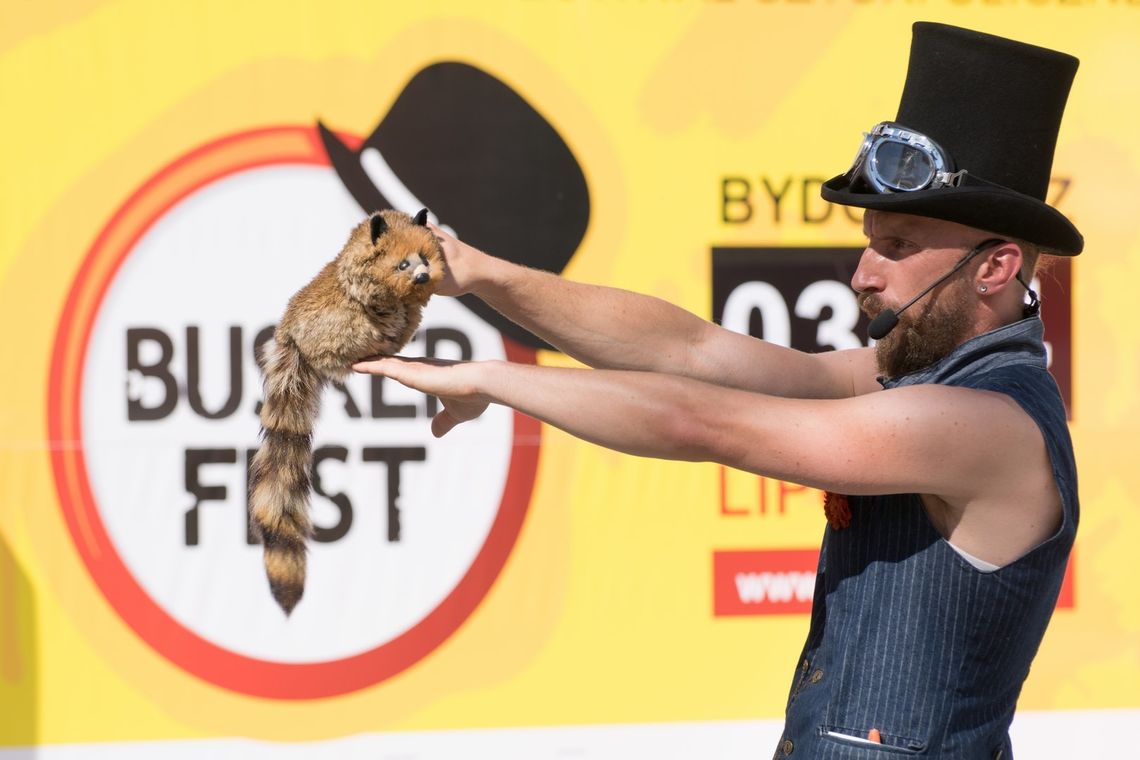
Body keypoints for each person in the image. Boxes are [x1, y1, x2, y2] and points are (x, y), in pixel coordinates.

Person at [354, 22, 1079, 759]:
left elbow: (702, 421)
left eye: (895, 248)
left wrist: (490, 377)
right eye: (868, 241)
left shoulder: (988, 424)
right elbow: (692, 350)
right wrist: (484, 274)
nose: (863, 274)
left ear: (995, 269)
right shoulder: (912, 375)